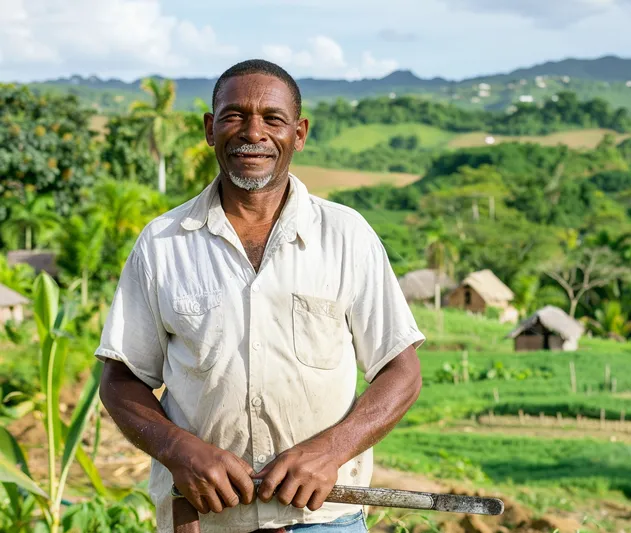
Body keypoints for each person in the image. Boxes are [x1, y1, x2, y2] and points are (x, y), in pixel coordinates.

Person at [96, 59, 426, 533]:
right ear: (211, 129)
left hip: (324, 519)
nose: (253, 132)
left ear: (299, 132)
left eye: (272, 118)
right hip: (204, 520)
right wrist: (177, 449)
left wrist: (331, 451)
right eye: (234, 116)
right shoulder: (163, 242)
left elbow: (401, 369)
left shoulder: (346, 235)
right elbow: (121, 379)